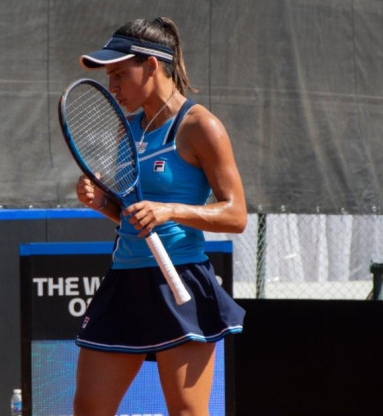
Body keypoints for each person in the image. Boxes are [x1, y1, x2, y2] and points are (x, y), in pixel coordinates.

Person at [72, 17, 247, 416]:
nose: (112, 86)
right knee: (88, 409)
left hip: (180, 279)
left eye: (119, 74)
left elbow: (236, 215)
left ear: (151, 65)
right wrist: (101, 202)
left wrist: (170, 211)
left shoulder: (202, 126)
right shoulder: (127, 127)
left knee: (186, 411)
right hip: (124, 280)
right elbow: (131, 217)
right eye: (109, 76)